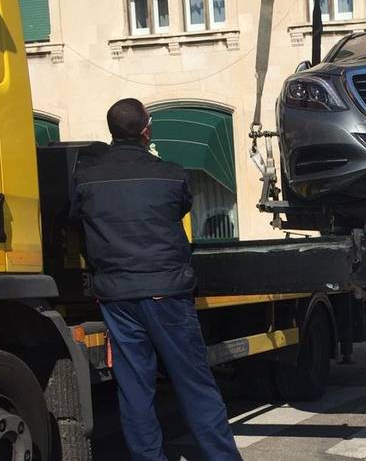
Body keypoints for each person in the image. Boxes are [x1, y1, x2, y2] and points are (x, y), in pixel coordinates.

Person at [71, 98, 241, 461]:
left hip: (117, 298)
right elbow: (179, 207)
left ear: (112, 132)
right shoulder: (171, 173)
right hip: (167, 292)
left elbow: (74, 220)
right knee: (195, 385)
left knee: (134, 392)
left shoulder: (86, 178)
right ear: (147, 130)